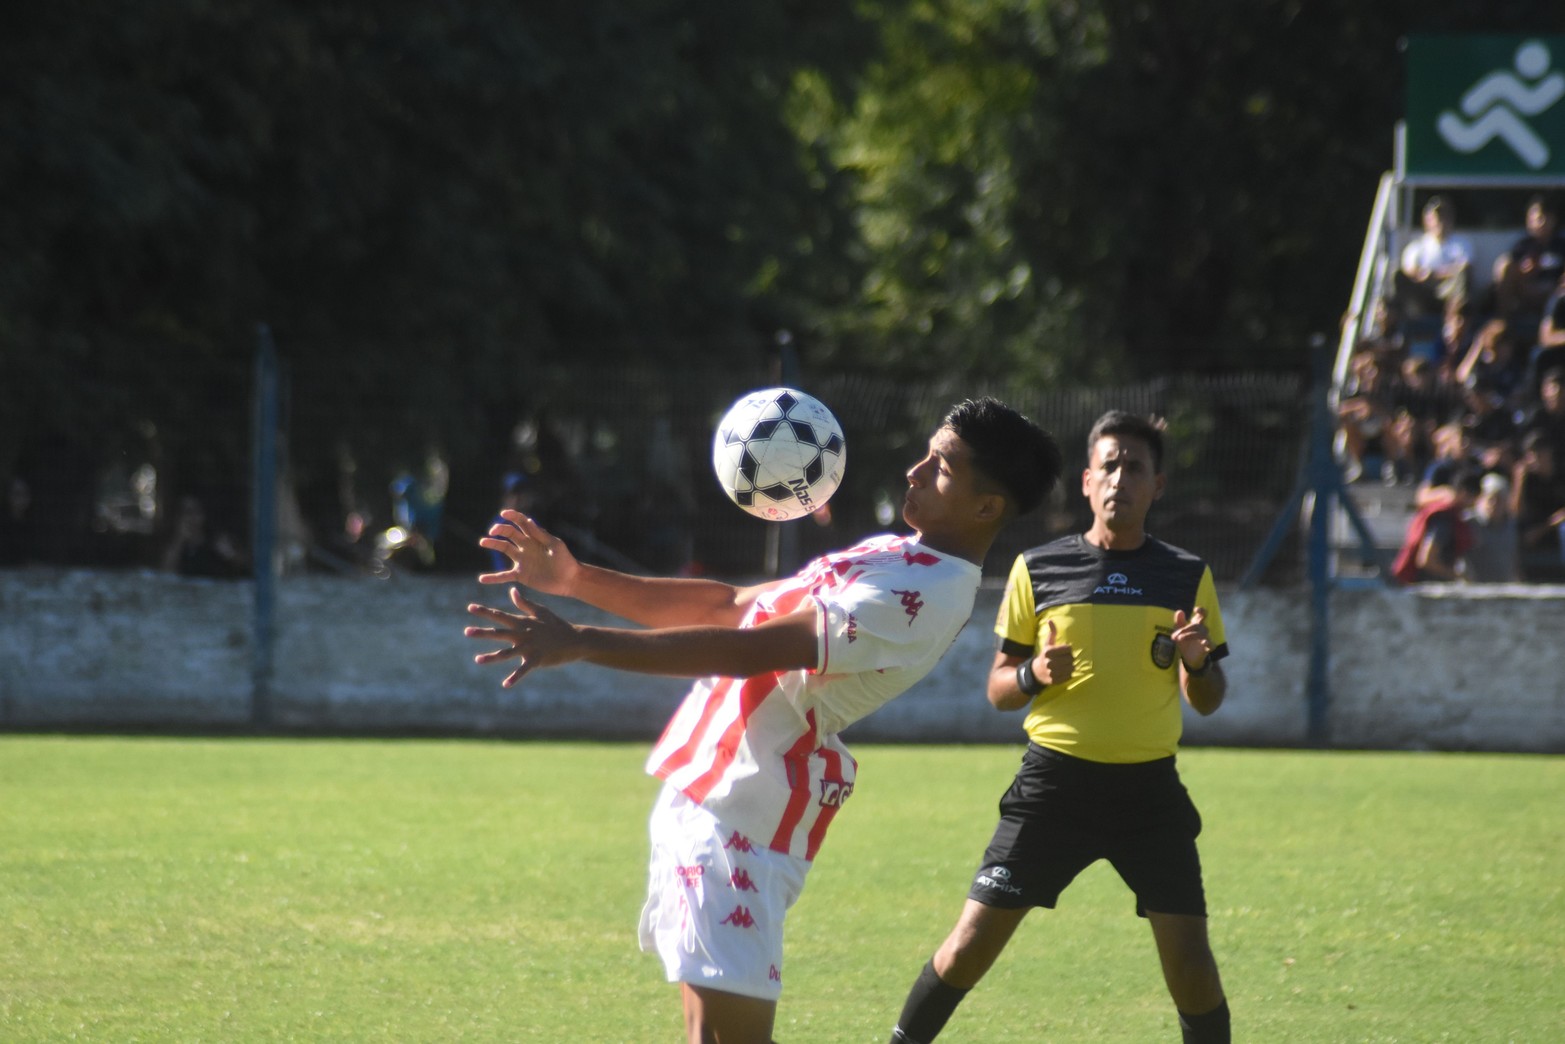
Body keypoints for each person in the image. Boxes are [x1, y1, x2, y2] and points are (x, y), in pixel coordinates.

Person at [466, 398, 1064, 1044]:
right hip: (706, 795)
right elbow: (730, 607)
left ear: (986, 508)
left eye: (942, 467)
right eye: (925, 454)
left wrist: (583, 641)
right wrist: (578, 579)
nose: (915, 471)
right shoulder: (896, 554)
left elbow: (749, 652)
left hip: (742, 822)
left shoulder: (920, 596)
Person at [886, 410, 1233, 1044]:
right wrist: (1033, 675)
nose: (1119, 478)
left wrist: (1198, 661)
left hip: (1149, 795)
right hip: (1053, 788)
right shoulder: (1038, 568)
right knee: (967, 948)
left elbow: (1207, 699)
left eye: (1135, 467)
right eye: (1109, 465)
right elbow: (998, 690)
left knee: (1192, 966)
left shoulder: (1187, 575)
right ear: (1085, 480)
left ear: (1157, 486)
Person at [1391, 468, 1481, 584]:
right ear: (1464, 493)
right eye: (1473, 499)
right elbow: (1427, 560)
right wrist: (1456, 576)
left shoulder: (1445, 513)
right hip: (1426, 587)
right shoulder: (1443, 518)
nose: (1473, 504)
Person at [1394, 195, 1473, 319]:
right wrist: (1426, 275)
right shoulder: (1416, 247)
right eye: (1435, 217)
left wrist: (1433, 274)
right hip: (1424, 293)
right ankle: (1410, 320)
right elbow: (1410, 271)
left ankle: (1455, 318)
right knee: (1398, 276)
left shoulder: (1462, 244)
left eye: (1444, 216)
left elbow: (1464, 268)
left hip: (1449, 291)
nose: (1439, 221)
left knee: (1462, 276)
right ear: (1426, 220)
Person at [1492, 194, 1565, 324]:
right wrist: (1524, 270)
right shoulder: (1522, 245)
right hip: (1527, 291)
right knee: (1504, 264)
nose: (1541, 223)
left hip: (1554, 294)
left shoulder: (1560, 245)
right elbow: (1508, 270)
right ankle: (1503, 322)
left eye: (1545, 218)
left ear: (1553, 220)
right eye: (1536, 218)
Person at [1466, 472, 1520, 583]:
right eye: (1490, 499)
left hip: (1504, 589)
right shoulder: (1469, 523)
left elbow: (1514, 558)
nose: (1494, 504)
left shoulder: (1511, 525)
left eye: (1499, 500)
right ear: (1481, 499)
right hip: (1473, 590)